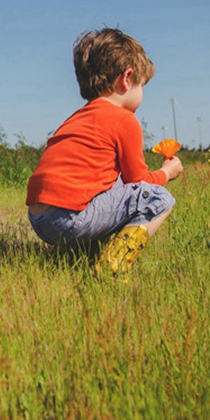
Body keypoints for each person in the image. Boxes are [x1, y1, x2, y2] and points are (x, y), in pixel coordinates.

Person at [26, 28, 183, 275]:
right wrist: (166, 172)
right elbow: (139, 181)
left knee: (117, 182)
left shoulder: (76, 118)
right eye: (142, 85)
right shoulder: (124, 119)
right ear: (127, 79)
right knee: (158, 197)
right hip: (69, 219)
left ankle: (83, 251)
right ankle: (115, 264)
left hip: (39, 220)